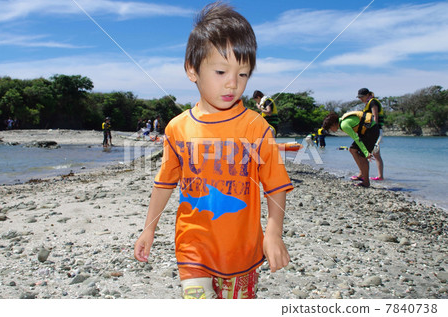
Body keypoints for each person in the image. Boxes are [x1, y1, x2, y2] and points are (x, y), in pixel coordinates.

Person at [134, 2, 293, 299]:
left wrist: (273, 233)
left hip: (241, 253)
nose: (233, 83)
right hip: (192, 246)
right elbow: (165, 181)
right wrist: (149, 229)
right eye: (221, 71)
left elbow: (276, 184)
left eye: (243, 74)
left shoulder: (256, 127)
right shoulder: (177, 128)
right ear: (192, 70)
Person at [322, 111, 379, 188]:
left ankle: (366, 182)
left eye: (330, 128)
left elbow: (356, 138)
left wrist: (366, 152)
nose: (331, 131)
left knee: (363, 157)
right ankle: (362, 174)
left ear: (333, 124)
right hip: (365, 132)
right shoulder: (342, 122)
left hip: (372, 131)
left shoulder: (344, 125)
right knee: (352, 150)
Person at [357, 88, 384, 180]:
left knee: (375, 153)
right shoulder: (369, 103)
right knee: (368, 153)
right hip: (370, 131)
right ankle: (364, 174)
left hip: (375, 130)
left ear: (368, 95)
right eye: (359, 97)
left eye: (362, 97)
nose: (360, 99)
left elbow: (375, 116)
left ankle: (379, 176)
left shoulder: (373, 102)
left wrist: (374, 130)